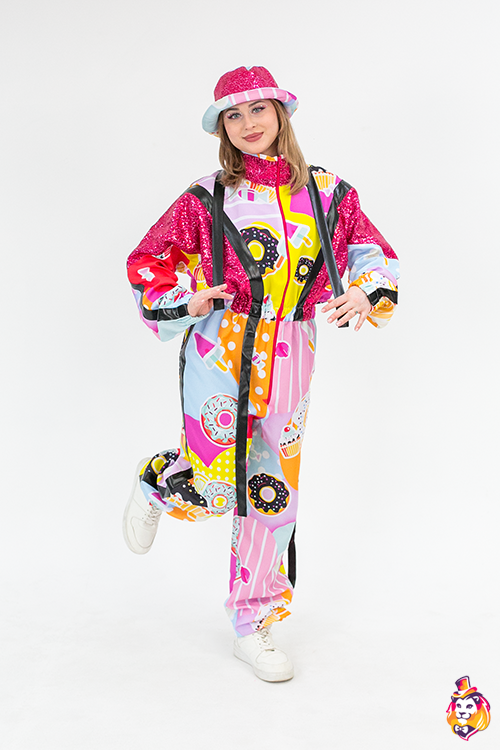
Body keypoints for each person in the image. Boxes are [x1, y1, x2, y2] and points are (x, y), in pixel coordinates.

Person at [123, 65, 400, 682]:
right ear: (221, 127)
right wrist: (187, 298)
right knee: (216, 483)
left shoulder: (328, 193)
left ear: (281, 114)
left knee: (270, 489)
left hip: (292, 349)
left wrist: (365, 291)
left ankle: (253, 623)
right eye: (234, 115)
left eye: (258, 110)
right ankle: (158, 482)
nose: (248, 124)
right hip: (219, 347)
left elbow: (373, 253)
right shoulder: (205, 197)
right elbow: (147, 261)